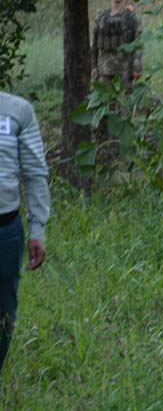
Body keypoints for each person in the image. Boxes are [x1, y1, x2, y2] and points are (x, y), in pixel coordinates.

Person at [0, 92, 51, 372]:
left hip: (5, 231)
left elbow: (34, 172)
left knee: (4, 312)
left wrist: (38, 228)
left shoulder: (18, 111)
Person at [91, 0, 142, 89]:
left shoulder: (132, 18)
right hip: (104, 68)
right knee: (106, 102)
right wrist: (93, 66)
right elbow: (94, 44)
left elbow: (138, 43)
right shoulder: (101, 17)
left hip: (125, 69)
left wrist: (136, 67)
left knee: (125, 102)